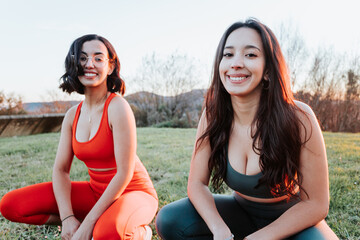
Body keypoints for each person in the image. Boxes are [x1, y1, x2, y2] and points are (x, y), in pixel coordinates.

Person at [155, 19, 338, 240]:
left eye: (250, 55)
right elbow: (196, 184)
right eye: (228, 54)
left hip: (291, 220)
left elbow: (317, 204)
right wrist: (219, 228)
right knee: (170, 219)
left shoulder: (300, 117)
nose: (236, 63)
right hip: (239, 213)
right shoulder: (213, 115)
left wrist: (258, 238)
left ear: (268, 70)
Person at [0, 34, 158, 240]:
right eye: (82, 58)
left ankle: (141, 232)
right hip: (95, 193)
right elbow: (60, 170)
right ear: (74, 64)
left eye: (98, 58)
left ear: (110, 67)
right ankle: (91, 221)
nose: (89, 64)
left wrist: (88, 226)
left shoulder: (118, 107)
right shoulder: (72, 116)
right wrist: (67, 218)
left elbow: (124, 174)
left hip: (133, 193)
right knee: (12, 205)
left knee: (105, 235)